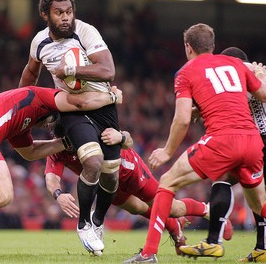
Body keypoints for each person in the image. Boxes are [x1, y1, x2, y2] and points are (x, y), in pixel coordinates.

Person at [122, 23, 266, 263]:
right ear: (213, 46)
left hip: (222, 139)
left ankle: (148, 254)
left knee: (167, 182)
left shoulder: (186, 71)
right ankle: (226, 244)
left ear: (188, 47)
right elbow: (262, 95)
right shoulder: (234, 64)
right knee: (257, 201)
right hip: (253, 141)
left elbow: (182, 118)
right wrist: (260, 76)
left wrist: (167, 151)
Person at [0, 85, 122, 258]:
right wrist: (111, 96)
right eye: (50, 122)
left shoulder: (22, 123)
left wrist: (64, 143)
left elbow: (30, 152)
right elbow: (79, 102)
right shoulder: (41, 96)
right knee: (3, 193)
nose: (48, 126)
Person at [19, 0, 120, 255]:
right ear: (45, 15)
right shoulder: (39, 42)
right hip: (71, 109)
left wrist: (72, 70)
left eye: (69, 12)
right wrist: (22, 108)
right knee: (93, 162)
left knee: (111, 175)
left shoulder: (86, 32)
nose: (66, 18)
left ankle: (97, 220)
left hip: (103, 106)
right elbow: (30, 73)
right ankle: (84, 223)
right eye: (59, 13)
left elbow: (108, 71)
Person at [45, 124, 233, 255]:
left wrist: (120, 136)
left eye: (68, 141)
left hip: (130, 171)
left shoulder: (91, 129)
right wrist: (58, 194)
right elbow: (51, 177)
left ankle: (210, 211)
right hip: (110, 185)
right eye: (62, 141)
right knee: (139, 209)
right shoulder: (58, 148)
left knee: (172, 208)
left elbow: (128, 140)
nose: (67, 145)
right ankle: (174, 227)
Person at [180, 47, 266, 262]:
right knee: (255, 196)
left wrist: (195, 109)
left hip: (253, 140)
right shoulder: (254, 74)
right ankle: (262, 248)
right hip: (254, 141)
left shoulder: (236, 73)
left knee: (224, 180)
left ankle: (213, 241)